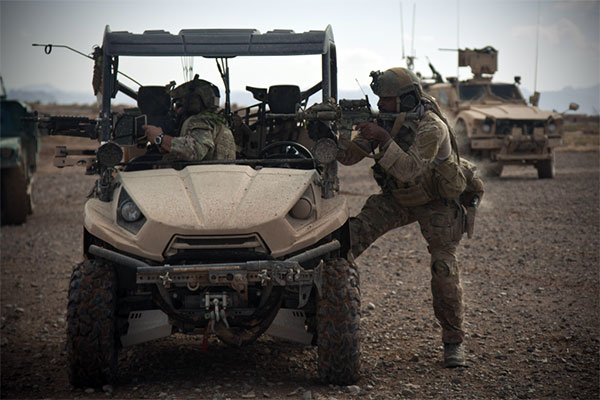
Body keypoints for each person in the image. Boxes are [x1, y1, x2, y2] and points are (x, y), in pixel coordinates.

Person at [337, 67, 483, 368]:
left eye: (386, 100)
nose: (380, 105)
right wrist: (334, 134)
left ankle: (453, 341)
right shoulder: (385, 120)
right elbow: (349, 157)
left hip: (436, 201)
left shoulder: (431, 127)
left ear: (405, 98)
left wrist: (382, 137)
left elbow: (408, 169)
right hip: (398, 198)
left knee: (444, 268)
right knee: (344, 242)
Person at [143, 75, 236, 162]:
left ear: (194, 101)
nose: (175, 109)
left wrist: (160, 138)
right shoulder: (216, 121)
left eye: (179, 104)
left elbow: (195, 151)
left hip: (202, 178)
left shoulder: (200, 121)